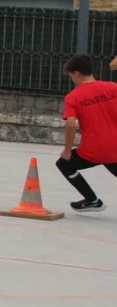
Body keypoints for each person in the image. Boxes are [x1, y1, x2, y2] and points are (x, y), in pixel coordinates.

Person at [56, 54, 117, 212]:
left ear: (77, 73)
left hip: (93, 151)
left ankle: (92, 200)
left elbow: (71, 124)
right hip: (115, 147)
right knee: (111, 158)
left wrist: (67, 150)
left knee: (63, 164)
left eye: (71, 76)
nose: (72, 80)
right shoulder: (113, 88)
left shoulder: (73, 97)